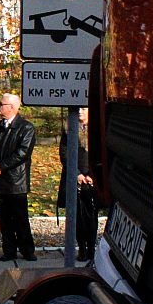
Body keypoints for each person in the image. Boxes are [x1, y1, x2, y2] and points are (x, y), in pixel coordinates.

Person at [0, 93, 38, 262]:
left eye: (2, 104)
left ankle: (27, 250)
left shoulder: (26, 128)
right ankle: (9, 250)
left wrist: (2, 166)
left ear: (12, 107)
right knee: (4, 218)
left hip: (16, 180)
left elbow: (22, 153)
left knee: (20, 217)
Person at [58, 108, 99, 261]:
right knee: (77, 216)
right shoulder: (69, 130)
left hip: (92, 181)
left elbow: (102, 154)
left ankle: (91, 248)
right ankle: (81, 247)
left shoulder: (97, 129)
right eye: (79, 108)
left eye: (84, 108)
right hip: (74, 179)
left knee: (91, 216)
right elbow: (64, 154)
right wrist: (77, 174)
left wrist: (92, 176)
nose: (80, 111)